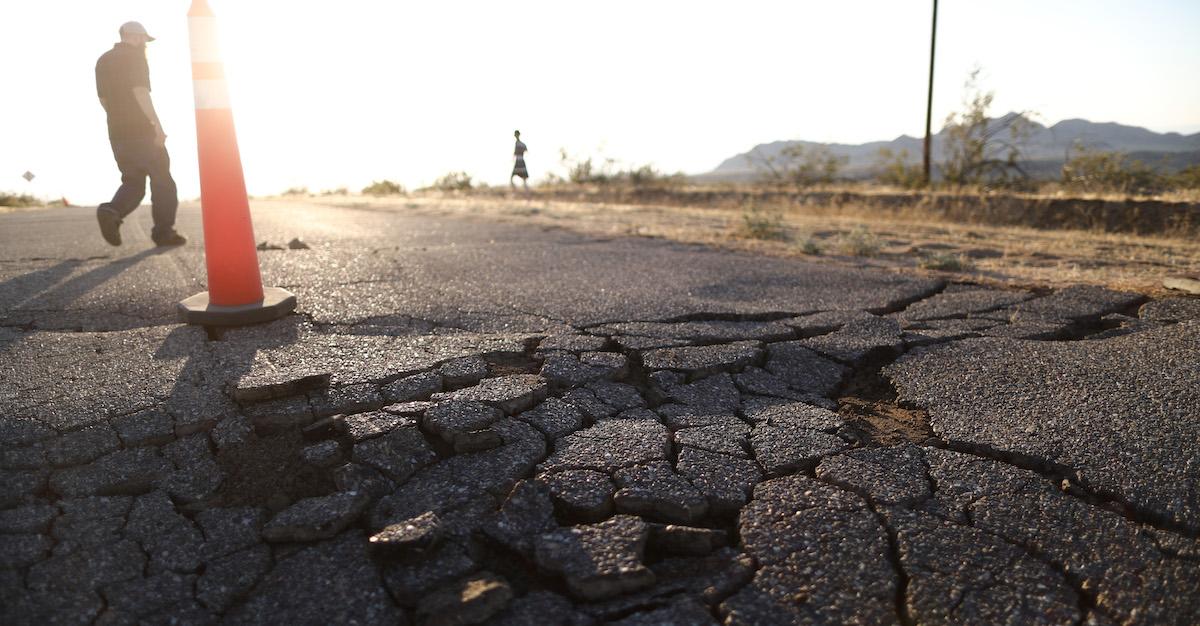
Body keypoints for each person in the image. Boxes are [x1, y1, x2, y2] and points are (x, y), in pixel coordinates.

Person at [95, 21, 186, 247]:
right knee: (162, 180)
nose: (145, 43)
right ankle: (164, 232)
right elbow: (140, 91)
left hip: (117, 131)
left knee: (133, 181)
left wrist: (118, 121)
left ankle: (112, 210)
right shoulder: (135, 57)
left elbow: (103, 100)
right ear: (135, 36)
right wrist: (156, 125)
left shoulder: (103, 60)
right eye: (144, 39)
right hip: (142, 130)